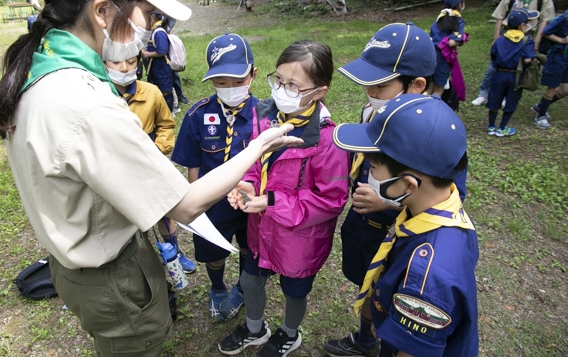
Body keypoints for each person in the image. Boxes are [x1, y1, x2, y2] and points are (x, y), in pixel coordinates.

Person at [0, 0, 301, 355]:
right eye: (150, 14)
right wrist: (260, 146)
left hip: (79, 265)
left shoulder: (43, 68)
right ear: (102, 11)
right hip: (109, 276)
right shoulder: (84, 103)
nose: (152, 30)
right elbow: (185, 206)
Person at [324, 22, 468, 357]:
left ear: (416, 84)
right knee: (368, 287)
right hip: (364, 228)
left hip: (399, 239)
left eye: (379, 85)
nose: (370, 94)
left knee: (393, 300)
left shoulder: (438, 137)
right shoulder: (374, 110)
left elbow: (442, 201)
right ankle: (365, 338)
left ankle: (382, 339)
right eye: (367, 85)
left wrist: (385, 205)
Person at [218, 40, 349, 357]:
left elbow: (330, 200)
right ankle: (254, 328)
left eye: (293, 85)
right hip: (260, 231)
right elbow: (253, 163)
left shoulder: (328, 140)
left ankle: (289, 333)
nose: (281, 89)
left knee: (294, 291)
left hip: (299, 243)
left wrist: (273, 202)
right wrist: (248, 185)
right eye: (278, 80)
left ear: (318, 92)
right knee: (250, 282)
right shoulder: (265, 116)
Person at [172, 33, 260, 322]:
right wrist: (198, 204)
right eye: (222, 83)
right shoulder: (198, 115)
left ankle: (242, 288)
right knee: (213, 251)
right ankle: (218, 287)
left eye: (238, 81)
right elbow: (193, 168)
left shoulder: (267, 115)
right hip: (213, 204)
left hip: (251, 202)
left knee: (250, 246)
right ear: (211, 81)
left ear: (253, 75)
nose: (230, 88)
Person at [104, 52, 196, 272]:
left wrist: (157, 149)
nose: (124, 67)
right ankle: (135, 260)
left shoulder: (152, 92)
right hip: (115, 167)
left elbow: (166, 125)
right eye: (116, 61)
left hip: (149, 164)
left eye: (131, 61)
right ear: (103, 63)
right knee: (125, 215)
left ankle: (174, 252)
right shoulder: (99, 96)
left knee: (163, 211)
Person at [471, 0, 555, 106]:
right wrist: (496, 37)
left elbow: (544, 20)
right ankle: (483, 93)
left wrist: (537, 41)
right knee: (494, 65)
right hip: (506, 34)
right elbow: (499, 17)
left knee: (518, 68)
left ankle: (506, 96)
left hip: (526, 36)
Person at [486, 9, 538, 137]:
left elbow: (493, 56)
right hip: (516, 76)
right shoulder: (526, 40)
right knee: (511, 100)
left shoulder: (500, 40)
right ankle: (502, 128)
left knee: (495, 98)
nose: (528, 25)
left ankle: (491, 126)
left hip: (499, 74)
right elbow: (527, 59)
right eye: (527, 23)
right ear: (522, 25)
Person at [531, 10, 568, 129]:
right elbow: (546, 32)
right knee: (553, 88)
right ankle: (540, 117)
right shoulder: (565, 18)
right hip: (558, 57)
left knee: (566, 90)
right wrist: (562, 40)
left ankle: (540, 106)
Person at [428, 0, 468, 97]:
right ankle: (432, 111)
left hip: (431, 54)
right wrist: (462, 39)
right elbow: (451, 42)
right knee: (439, 90)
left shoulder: (440, 17)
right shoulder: (457, 20)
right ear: (459, 5)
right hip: (443, 57)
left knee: (429, 86)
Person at [143, 11, 175, 113]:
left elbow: (162, 51)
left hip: (162, 68)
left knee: (165, 91)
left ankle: (169, 113)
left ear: (152, 17)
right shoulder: (153, 30)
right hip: (155, 68)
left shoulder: (159, 32)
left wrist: (147, 54)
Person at [162, 15, 189, 105]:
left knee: (172, 70)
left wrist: (166, 30)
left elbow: (172, 18)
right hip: (150, 44)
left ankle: (179, 94)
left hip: (165, 38)